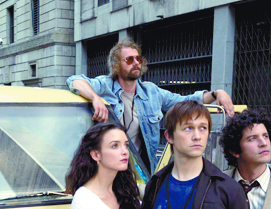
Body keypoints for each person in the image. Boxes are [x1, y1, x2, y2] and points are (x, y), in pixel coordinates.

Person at [66, 37, 235, 173]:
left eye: (138, 58)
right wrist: (95, 98)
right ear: (115, 66)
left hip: (141, 172)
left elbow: (186, 100)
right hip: (106, 168)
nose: (136, 63)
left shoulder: (151, 92)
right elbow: (75, 80)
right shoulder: (105, 86)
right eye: (129, 59)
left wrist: (216, 94)